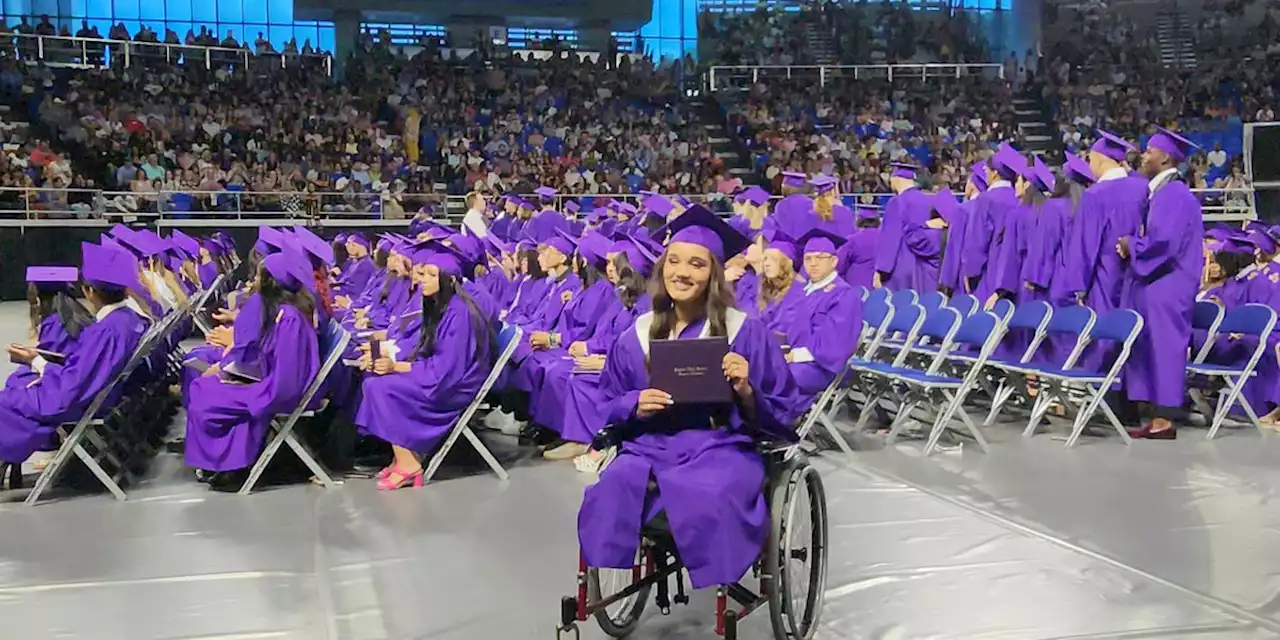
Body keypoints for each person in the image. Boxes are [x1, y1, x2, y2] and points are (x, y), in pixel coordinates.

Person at [578, 205, 801, 590]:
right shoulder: (636, 334)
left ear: (713, 274)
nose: (682, 272)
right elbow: (606, 402)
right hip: (650, 445)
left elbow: (783, 409)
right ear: (662, 268)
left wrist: (746, 390)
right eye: (674, 261)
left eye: (697, 264)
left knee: (711, 492)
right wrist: (634, 403)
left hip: (721, 445)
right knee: (610, 487)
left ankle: (717, 573)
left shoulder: (745, 333)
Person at [0, 243, 148, 488]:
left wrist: (35, 361)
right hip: (92, 393)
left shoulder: (108, 330)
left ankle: (12, 454)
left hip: (76, 398)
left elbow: (73, 385)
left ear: (89, 291)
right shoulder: (125, 320)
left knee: (9, 398)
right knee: (17, 389)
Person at [355, 241, 494, 490]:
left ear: (448, 280)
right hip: (442, 374)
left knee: (381, 387)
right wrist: (392, 361)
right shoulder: (440, 306)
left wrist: (396, 367)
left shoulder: (459, 313)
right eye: (423, 273)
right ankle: (403, 456)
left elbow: (445, 371)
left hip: (456, 385)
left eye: (431, 275)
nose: (423, 280)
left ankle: (409, 465)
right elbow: (426, 350)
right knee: (373, 379)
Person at [184, 244, 321, 490]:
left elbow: (286, 377)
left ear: (270, 283)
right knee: (207, 385)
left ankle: (232, 465)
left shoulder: (288, 318)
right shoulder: (284, 311)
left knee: (206, 392)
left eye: (258, 276)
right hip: (271, 382)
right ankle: (230, 464)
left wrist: (250, 383)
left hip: (280, 391)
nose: (254, 280)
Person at [1119, 127, 1204, 440]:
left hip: (1169, 285)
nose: (1144, 155)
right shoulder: (1161, 193)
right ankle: (1155, 417)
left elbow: (1163, 243)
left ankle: (1164, 419)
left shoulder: (1175, 195)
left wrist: (1131, 245)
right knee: (1151, 347)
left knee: (1165, 348)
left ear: (1165, 157)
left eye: (1150, 151)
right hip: (1157, 283)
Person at [1059, 130, 1148, 371]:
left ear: (1099, 159)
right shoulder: (1142, 188)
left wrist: (1078, 286)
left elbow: (1085, 245)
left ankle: (1101, 393)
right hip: (1135, 270)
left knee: (1102, 332)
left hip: (1103, 274)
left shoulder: (1095, 195)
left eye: (1091, 160)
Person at [784, 228, 862, 400]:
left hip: (822, 367)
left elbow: (834, 345)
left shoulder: (843, 295)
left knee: (775, 376)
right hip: (796, 359)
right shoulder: (804, 292)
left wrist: (793, 356)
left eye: (820, 258)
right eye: (808, 258)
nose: (813, 263)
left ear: (834, 261)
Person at [6, 267, 95, 392]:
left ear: (38, 300)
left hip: (64, 381)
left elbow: (52, 362)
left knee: (15, 383)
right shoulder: (82, 315)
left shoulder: (56, 322)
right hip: (77, 377)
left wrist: (27, 357)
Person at [960, 145, 1023, 302]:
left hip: (990, 270)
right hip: (1016, 271)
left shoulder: (985, 199)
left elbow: (977, 239)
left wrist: (970, 271)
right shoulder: (1019, 198)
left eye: (987, 170)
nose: (985, 173)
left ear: (995, 173)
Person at [874, 162, 934, 290]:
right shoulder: (927, 200)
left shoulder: (897, 202)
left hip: (901, 264)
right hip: (924, 266)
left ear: (896, 179)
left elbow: (890, 237)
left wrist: (881, 269)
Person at [838, 207, 881, 290]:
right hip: (882, 285)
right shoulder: (887, 238)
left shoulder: (852, 240)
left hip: (857, 286)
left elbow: (840, 264)